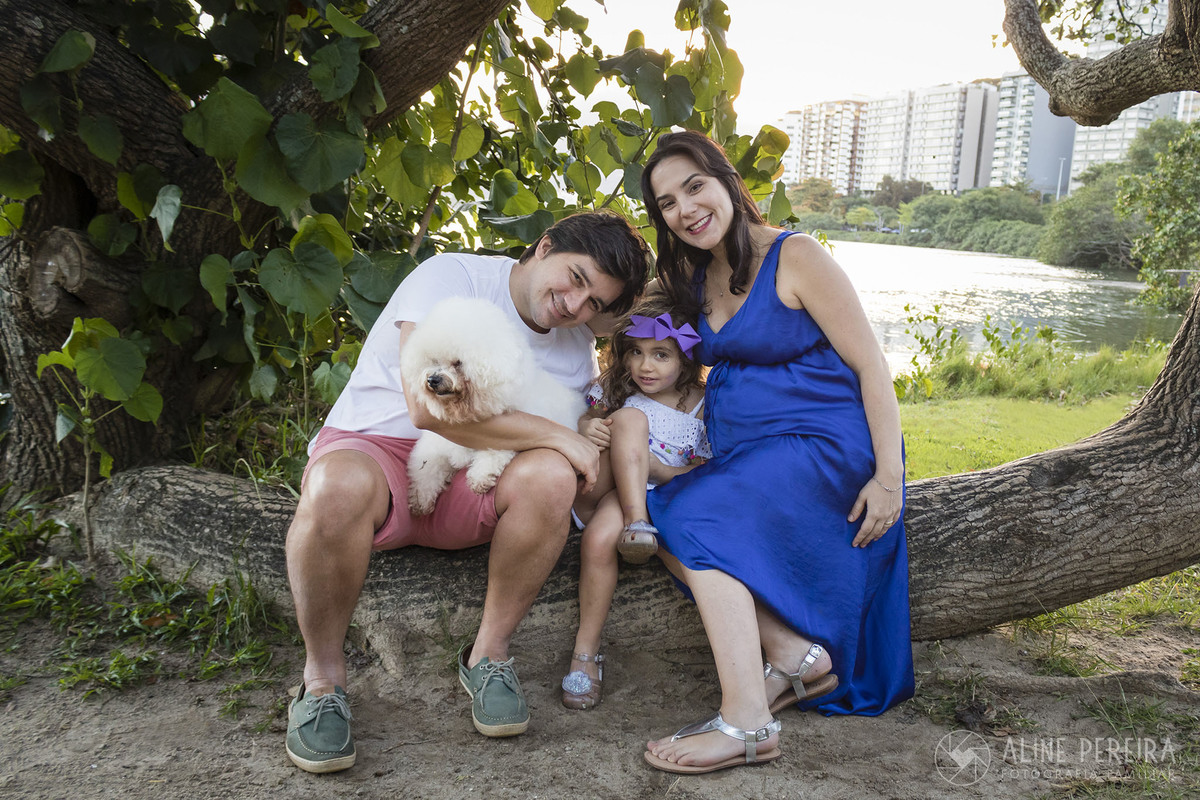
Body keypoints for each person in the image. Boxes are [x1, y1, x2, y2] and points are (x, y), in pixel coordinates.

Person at [283, 211, 651, 774]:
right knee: (336, 486)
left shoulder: (574, 343)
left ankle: (489, 656)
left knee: (551, 474)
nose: (576, 306)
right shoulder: (452, 276)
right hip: (376, 450)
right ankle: (323, 683)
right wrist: (557, 434)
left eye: (596, 303)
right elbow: (426, 408)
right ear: (545, 245)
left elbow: (568, 452)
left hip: (476, 479)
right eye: (576, 279)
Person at [637, 131, 915, 774]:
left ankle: (747, 723)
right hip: (753, 458)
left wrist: (890, 479)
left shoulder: (797, 256)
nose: (686, 208)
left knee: (692, 515)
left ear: (727, 181)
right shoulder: (688, 278)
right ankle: (793, 654)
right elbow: (630, 340)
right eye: (667, 202)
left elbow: (873, 366)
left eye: (695, 186)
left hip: (826, 447)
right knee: (653, 517)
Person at [560, 293, 711, 711]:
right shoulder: (616, 390)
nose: (646, 366)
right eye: (637, 353)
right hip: (610, 491)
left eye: (661, 355)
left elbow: (702, 470)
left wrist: (661, 472)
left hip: (659, 494)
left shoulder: (703, 404)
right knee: (629, 419)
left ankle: (586, 656)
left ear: (685, 358)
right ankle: (638, 525)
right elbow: (586, 420)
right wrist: (588, 426)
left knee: (598, 541)